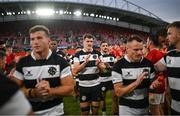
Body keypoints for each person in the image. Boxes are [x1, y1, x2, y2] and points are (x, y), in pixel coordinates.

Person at [12, 25, 74, 115]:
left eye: (39, 38)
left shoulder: (60, 61)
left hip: (55, 112)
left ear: (48, 40)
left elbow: (70, 89)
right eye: (32, 39)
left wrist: (50, 91)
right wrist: (33, 92)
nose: (35, 42)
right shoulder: (23, 63)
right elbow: (13, 90)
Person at [112, 35, 160, 115]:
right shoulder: (118, 66)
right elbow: (118, 92)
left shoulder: (148, 64)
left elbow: (152, 87)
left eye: (141, 49)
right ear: (127, 49)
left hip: (145, 108)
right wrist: (136, 83)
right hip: (127, 109)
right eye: (136, 50)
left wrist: (153, 86)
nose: (140, 53)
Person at [73, 33, 105, 115]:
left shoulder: (98, 54)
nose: (89, 43)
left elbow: (102, 70)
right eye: (87, 41)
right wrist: (85, 63)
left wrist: (99, 65)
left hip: (96, 85)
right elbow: (75, 70)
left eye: (91, 41)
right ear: (83, 42)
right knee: (85, 112)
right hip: (83, 86)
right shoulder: (77, 54)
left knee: (95, 112)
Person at [155, 21, 180, 115]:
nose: (167, 37)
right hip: (175, 109)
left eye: (169, 33)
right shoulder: (170, 55)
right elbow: (155, 67)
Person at [146, 34, 166, 115]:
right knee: (159, 108)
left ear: (150, 42)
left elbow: (146, 69)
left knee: (154, 111)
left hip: (154, 86)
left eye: (147, 41)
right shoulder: (162, 53)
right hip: (161, 85)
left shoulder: (153, 53)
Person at [99, 41, 118, 115]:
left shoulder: (112, 56)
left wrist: (109, 67)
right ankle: (104, 113)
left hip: (112, 79)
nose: (105, 47)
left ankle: (116, 114)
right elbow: (100, 69)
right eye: (103, 46)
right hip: (102, 80)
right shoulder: (99, 57)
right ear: (100, 47)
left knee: (115, 98)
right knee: (102, 98)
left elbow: (116, 67)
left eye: (106, 45)